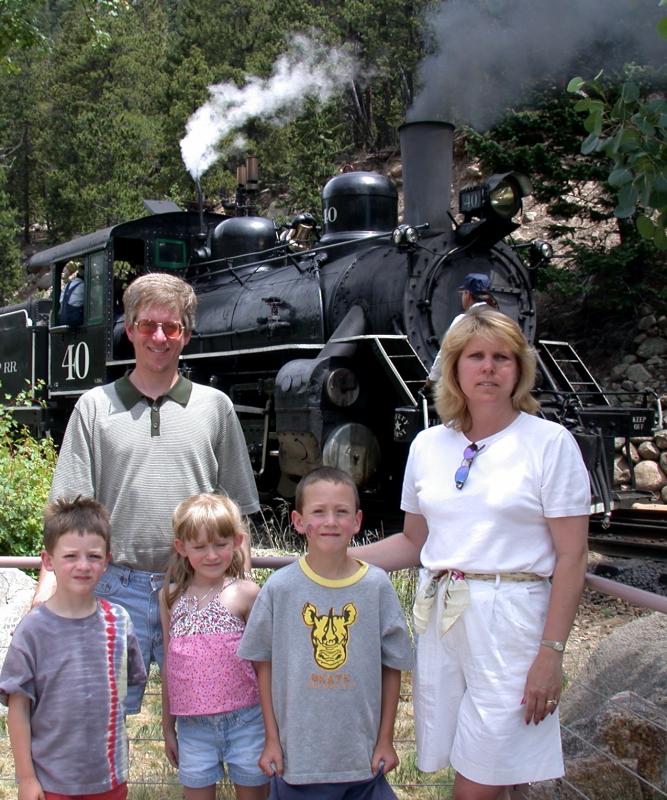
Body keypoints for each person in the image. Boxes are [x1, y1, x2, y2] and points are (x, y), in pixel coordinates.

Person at [352, 306, 590, 800]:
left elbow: (572, 556)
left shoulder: (549, 443)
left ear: (519, 369)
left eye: (502, 357)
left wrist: (551, 654)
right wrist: (333, 561)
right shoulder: (428, 445)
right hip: (441, 619)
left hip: (511, 624)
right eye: (476, 356)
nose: (489, 368)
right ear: (455, 368)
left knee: (478, 781)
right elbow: (414, 542)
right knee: (482, 767)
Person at [35, 272, 260, 713]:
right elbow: (67, 514)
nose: (159, 337)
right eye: (147, 325)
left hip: (200, 588)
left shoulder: (216, 407)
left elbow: (236, 512)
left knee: (210, 716)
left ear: (186, 335)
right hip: (115, 589)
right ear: (130, 330)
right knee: (105, 716)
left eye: (171, 327)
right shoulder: (94, 408)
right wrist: (47, 590)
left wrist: (241, 588)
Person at [238, 467, 413, 800]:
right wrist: (272, 739)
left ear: (357, 521)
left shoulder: (376, 586)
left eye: (341, 511)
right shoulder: (280, 588)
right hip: (298, 764)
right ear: (298, 521)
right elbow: (262, 664)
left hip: (363, 763)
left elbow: (393, 665)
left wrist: (385, 739)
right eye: (319, 512)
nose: (331, 521)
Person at [0, 496, 146, 800]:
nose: (83, 565)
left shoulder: (120, 621)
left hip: (110, 780)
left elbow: (124, 690)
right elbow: (18, 708)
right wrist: (26, 779)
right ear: (48, 560)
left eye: (93, 556)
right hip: (52, 784)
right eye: (70, 556)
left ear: (107, 561)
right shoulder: (32, 630)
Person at [160, 494, 269, 800]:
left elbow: (265, 667)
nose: (211, 555)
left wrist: (273, 733)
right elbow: (169, 665)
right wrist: (168, 727)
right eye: (200, 547)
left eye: (220, 544)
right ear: (182, 547)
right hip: (193, 727)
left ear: (237, 542)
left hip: (247, 721)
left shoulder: (246, 593)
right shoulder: (170, 597)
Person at [426, 272, 499, 388]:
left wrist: (431, 381)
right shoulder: (501, 320)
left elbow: (445, 354)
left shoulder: (462, 321)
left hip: (469, 385)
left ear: (467, 294)